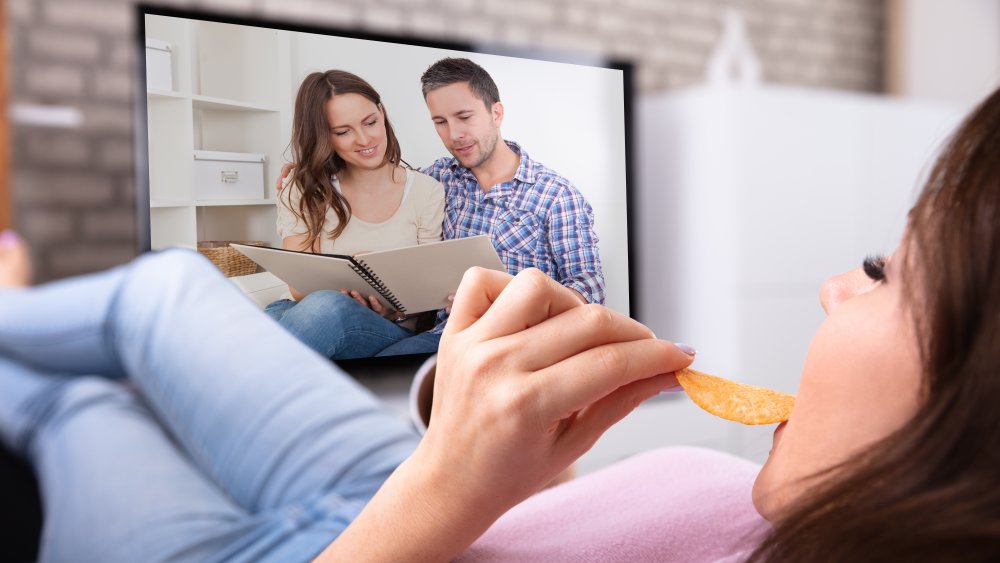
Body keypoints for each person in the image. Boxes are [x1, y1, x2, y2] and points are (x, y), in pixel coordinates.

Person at [4, 85, 1000, 563]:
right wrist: (477, 406)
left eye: (882, 272)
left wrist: (445, 483)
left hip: (364, 530)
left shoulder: (548, 191)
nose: (835, 286)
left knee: (79, 402)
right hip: (403, 482)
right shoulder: (773, 506)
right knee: (167, 287)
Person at [277, 57, 606, 344]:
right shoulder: (439, 178)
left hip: (511, 335)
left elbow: (588, 288)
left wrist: (520, 298)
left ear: (496, 113)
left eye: (465, 117)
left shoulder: (556, 194)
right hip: (442, 334)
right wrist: (308, 172)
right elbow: (378, 178)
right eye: (440, 122)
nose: (454, 135)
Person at [263, 70, 445, 359]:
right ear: (324, 137)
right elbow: (298, 289)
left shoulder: (426, 192)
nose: (363, 139)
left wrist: (392, 306)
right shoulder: (303, 188)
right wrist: (345, 280)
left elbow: (426, 295)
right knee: (314, 308)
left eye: (370, 122)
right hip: (303, 316)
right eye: (343, 132)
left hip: (384, 327)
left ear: (382, 113)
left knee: (328, 307)